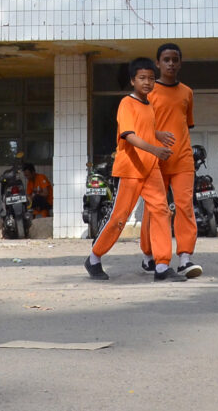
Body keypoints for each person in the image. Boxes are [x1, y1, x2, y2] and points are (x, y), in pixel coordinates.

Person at [86, 58, 179, 281]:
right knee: (119, 217)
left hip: (151, 170)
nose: (147, 82)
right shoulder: (126, 103)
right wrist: (155, 149)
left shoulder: (149, 105)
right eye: (142, 78)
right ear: (132, 80)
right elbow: (129, 135)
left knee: (162, 213)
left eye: (150, 78)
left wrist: (158, 135)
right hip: (130, 169)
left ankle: (162, 266)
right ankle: (94, 258)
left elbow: (144, 129)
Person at [138, 42, 202, 279]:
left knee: (185, 207)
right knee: (155, 210)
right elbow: (139, 128)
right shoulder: (148, 92)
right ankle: (149, 255)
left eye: (175, 59)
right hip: (155, 161)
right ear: (157, 63)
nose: (171, 64)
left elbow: (186, 125)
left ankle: (185, 258)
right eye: (166, 59)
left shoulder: (187, 92)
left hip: (183, 160)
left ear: (180, 63)